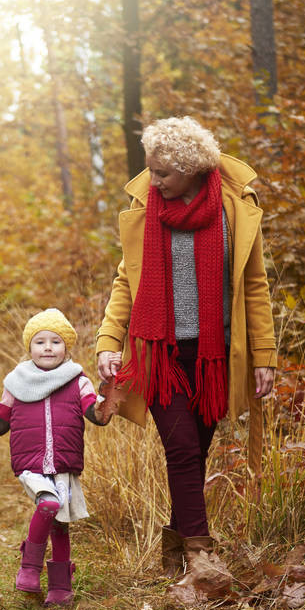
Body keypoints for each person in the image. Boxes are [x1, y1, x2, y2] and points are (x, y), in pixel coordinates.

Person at [95, 116, 277, 577]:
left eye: (164, 174)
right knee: (180, 448)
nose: (153, 181)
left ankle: (174, 544)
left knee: (196, 451)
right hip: (159, 354)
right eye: (152, 170)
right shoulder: (146, 208)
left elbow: (254, 286)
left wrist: (265, 357)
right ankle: (201, 553)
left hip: (216, 356)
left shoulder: (234, 209)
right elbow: (125, 281)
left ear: (193, 169)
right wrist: (108, 340)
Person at [0, 308, 108, 606]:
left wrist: (109, 401)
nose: (48, 347)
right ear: (30, 347)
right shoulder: (17, 382)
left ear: (66, 347)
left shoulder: (78, 381)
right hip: (31, 465)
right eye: (40, 342)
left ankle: (60, 587)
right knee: (49, 504)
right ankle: (29, 565)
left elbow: (96, 413)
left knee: (60, 523)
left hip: (63, 465)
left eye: (55, 341)